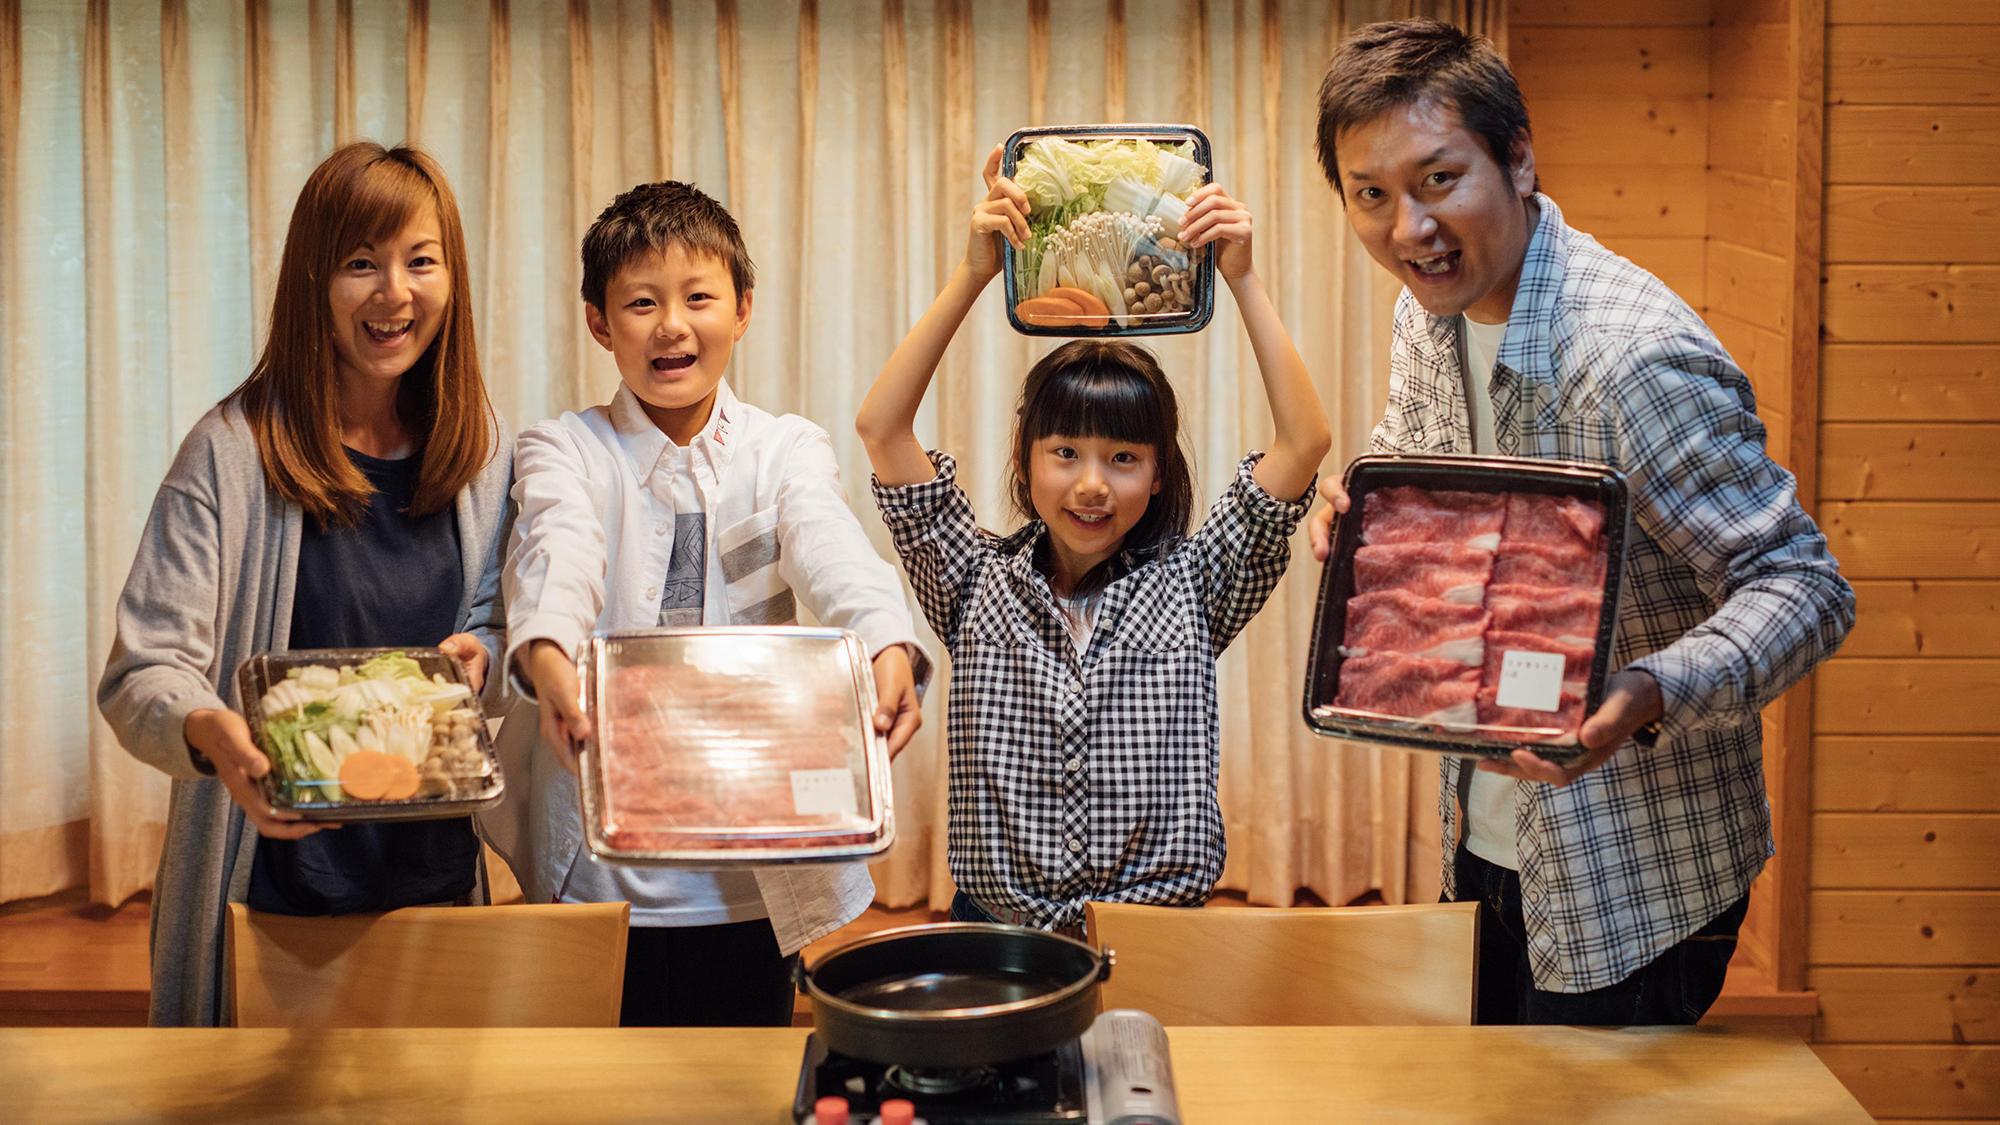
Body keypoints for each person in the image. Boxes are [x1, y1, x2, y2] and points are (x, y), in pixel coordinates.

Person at [1306, 18, 1856, 1024]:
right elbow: (1416, 441)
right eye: (1369, 195)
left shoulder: (1629, 359)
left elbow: (1804, 586)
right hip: (1483, 823)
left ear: (1516, 159)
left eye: (1436, 180)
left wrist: (1641, 691)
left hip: (1634, 868)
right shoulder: (1423, 310)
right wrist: (1357, 501)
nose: (1405, 228)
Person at [854, 146, 1331, 936]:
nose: (1091, 484)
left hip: (1160, 935)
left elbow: (1304, 442)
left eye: (1123, 459)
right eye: (1066, 452)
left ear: (1157, 473)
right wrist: (975, 273)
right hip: (995, 932)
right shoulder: (974, 581)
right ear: (1025, 460)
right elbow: (881, 428)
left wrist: (1242, 277)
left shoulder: (1197, 582)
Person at [486, 180, 929, 1027]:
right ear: (598, 321)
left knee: (741, 1078)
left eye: (698, 297)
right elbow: (559, 551)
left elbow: (831, 545)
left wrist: (885, 644)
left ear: (744, 307)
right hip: (601, 856)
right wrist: (547, 656)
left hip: (751, 861)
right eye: (641, 302)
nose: (672, 325)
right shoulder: (564, 447)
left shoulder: (784, 446)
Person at [98, 142, 512, 1026]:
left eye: (420, 261)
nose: (394, 292)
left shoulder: (482, 454)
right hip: (273, 885)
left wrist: (490, 654)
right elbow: (143, 674)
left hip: (435, 883)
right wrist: (211, 729)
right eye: (360, 263)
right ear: (312, 282)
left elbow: (502, 629)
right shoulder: (231, 453)